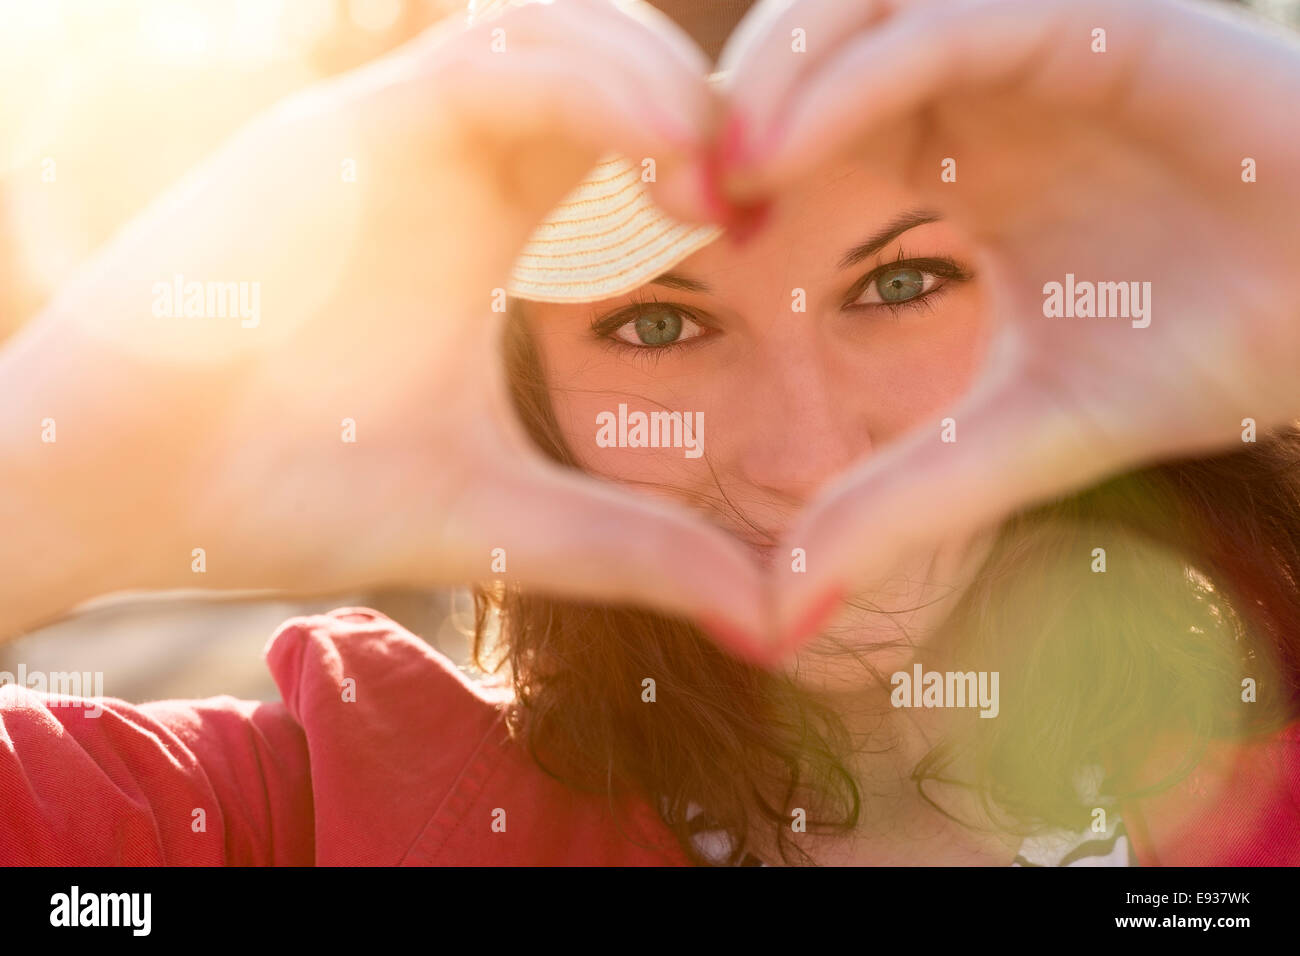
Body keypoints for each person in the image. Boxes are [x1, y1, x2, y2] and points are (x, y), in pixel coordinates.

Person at [3, 0, 1300, 866]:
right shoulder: (325, 820)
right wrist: (60, 477)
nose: (804, 462)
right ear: (522, 390)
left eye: (901, 286)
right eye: (659, 328)